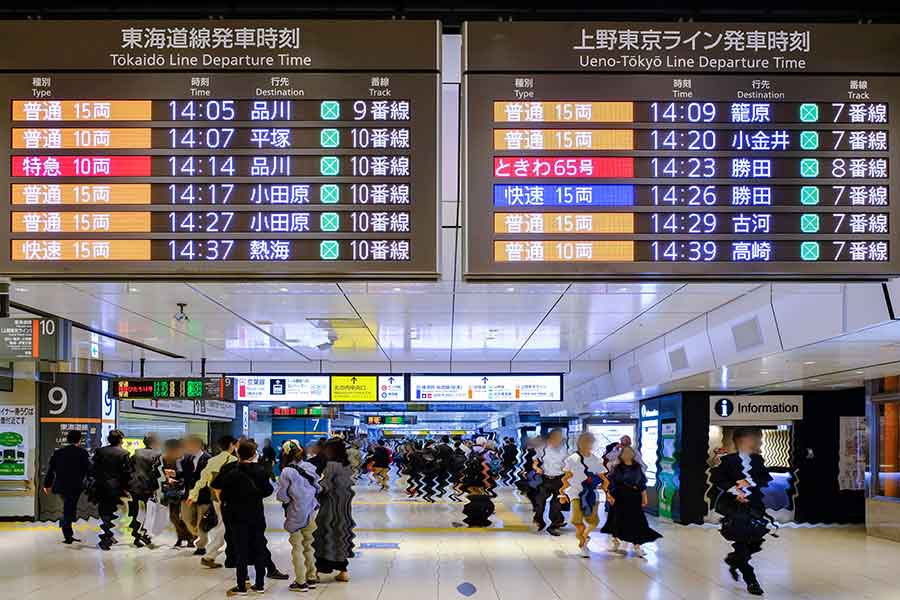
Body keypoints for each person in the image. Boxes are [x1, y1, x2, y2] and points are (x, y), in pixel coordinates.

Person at [711, 427, 773, 597]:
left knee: (755, 541)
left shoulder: (757, 460)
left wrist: (749, 482)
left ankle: (733, 560)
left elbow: (765, 478)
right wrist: (734, 490)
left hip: (754, 506)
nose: (758, 442)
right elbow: (717, 479)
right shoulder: (728, 460)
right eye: (756, 438)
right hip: (734, 508)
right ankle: (751, 580)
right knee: (741, 542)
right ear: (745, 440)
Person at [212, 440, 274, 596]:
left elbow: (216, 484)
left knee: (240, 550)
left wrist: (224, 500)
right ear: (254, 455)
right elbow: (268, 491)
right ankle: (259, 585)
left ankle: (241, 586)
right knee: (259, 547)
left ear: (237, 454)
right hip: (256, 515)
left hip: (236, 515)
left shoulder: (230, 470)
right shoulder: (261, 470)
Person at [276, 442, 322, 593]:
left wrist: (289, 500)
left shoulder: (286, 472)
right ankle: (312, 577)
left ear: (285, 454)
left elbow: (282, 496)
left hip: (295, 513)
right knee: (309, 545)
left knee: (297, 547)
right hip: (311, 511)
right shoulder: (310, 467)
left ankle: (301, 582)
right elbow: (318, 487)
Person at [600, 446, 661, 558]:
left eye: (629, 453)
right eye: (625, 453)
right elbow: (610, 483)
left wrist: (644, 496)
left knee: (636, 521)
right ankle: (616, 541)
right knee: (617, 519)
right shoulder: (617, 468)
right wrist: (609, 496)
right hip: (619, 496)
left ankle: (637, 545)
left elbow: (642, 484)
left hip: (634, 497)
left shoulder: (637, 468)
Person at [190, 435, 238, 569]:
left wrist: (193, 495)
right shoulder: (233, 460)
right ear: (231, 445)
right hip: (228, 498)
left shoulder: (212, 460)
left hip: (215, 498)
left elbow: (202, 479)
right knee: (224, 526)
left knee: (223, 524)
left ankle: (213, 555)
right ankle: (209, 555)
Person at [313, 438, 356, 582]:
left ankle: (318, 571)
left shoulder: (331, 466)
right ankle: (343, 571)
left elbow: (324, 487)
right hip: (344, 508)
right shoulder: (347, 466)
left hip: (330, 508)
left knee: (323, 536)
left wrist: (311, 490)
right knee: (341, 537)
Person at [560, 433, 606, 557]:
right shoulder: (572, 458)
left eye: (590, 442)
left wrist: (607, 491)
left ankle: (585, 537)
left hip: (591, 494)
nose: (588, 445)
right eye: (586, 442)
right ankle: (583, 543)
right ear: (579, 443)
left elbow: (603, 478)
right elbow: (566, 478)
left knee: (593, 521)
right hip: (575, 493)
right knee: (576, 520)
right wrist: (562, 493)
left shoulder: (596, 460)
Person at [42, 429, 91, 544]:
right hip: (76, 486)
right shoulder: (83, 453)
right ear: (79, 440)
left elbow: (51, 470)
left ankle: (67, 529)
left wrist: (47, 484)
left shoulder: (58, 453)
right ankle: (66, 530)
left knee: (68, 505)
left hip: (61, 485)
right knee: (69, 506)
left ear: (67, 439)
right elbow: (88, 470)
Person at [91, 429, 132, 551]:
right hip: (115, 487)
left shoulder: (100, 451)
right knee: (112, 511)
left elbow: (93, 468)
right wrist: (126, 488)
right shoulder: (124, 453)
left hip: (100, 486)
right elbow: (127, 474)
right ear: (120, 440)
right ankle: (107, 538)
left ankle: (108, 534)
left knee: (104, 510)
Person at [155, 438, 193, 547]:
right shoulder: (164, 459)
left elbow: (188, 475)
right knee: (174, 516)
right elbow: (159, 473)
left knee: (186, 517)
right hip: (171, 491)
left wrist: (178, 478)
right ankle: (182, 537)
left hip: (185, 491)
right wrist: (167, 478)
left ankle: (189, 537)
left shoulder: (186, 458)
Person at [128, 432, 161, 548]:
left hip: (134, 486)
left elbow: (130, 467)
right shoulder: (157, 454)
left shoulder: (137, 452)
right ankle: (145, 534)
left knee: (136, 511)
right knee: (150, 512)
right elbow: (157, 472)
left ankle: (136, 534)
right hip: (148, 486)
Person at [533, 429, 568, 535]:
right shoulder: (542, 448)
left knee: (556, 504)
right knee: (539, 503)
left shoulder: (566, 449)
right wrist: (536, 468)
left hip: (560, 480)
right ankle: (540, 521)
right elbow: (535, 461)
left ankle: (554, 525)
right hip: (545, 479)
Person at [180, 435, 210, 555]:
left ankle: (201, 546)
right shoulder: (186, 459)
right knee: (187, 518)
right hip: (189, 495)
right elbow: (184, 474)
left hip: (204, 495)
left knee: (202, 522)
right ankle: (197, 534)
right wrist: (175, 474)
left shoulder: (208, 459)